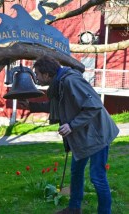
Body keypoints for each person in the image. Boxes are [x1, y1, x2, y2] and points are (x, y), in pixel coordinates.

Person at [19, 55, 119, 214]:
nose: (36, 77)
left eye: (37, 74)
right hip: (83, 135)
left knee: (97, 177)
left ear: (47, 74)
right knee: (76, 172)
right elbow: (57, 106)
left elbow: (94, 106)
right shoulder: (58, 83)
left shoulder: (71, 81)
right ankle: (74, 208)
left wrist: (71, 125)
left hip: (97, 134)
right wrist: (31, 106)